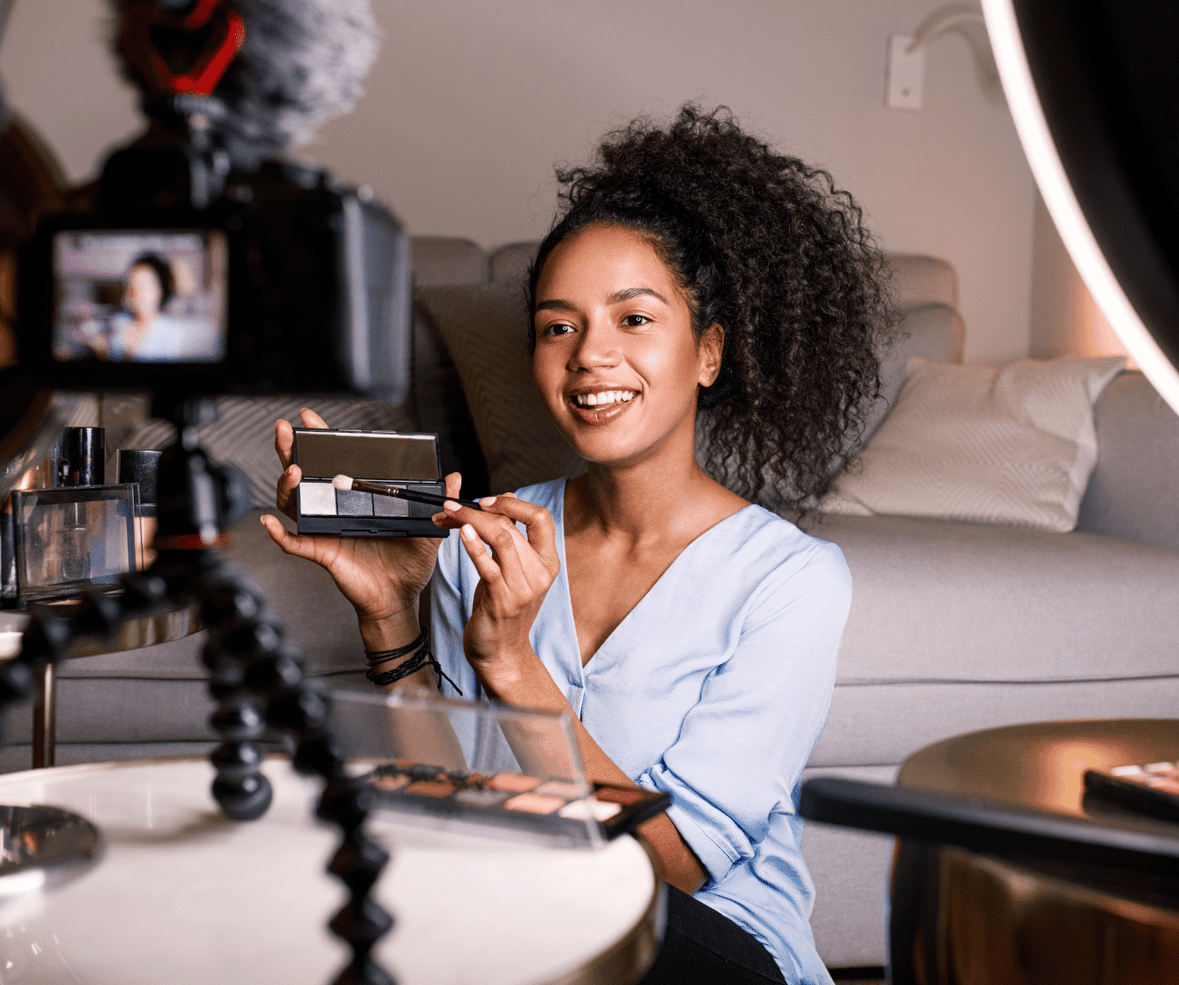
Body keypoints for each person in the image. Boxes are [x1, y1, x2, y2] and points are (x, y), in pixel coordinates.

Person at [263, 105, 893, 985]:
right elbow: (445, 805)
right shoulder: (486, 537)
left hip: (708, 949)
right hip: (524, 932)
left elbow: (673, 864)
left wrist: (516, 663)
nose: (590, 355)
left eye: (634, 319)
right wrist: (388, 615)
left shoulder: (788, 579)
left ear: (708, 351)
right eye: (559, 327)